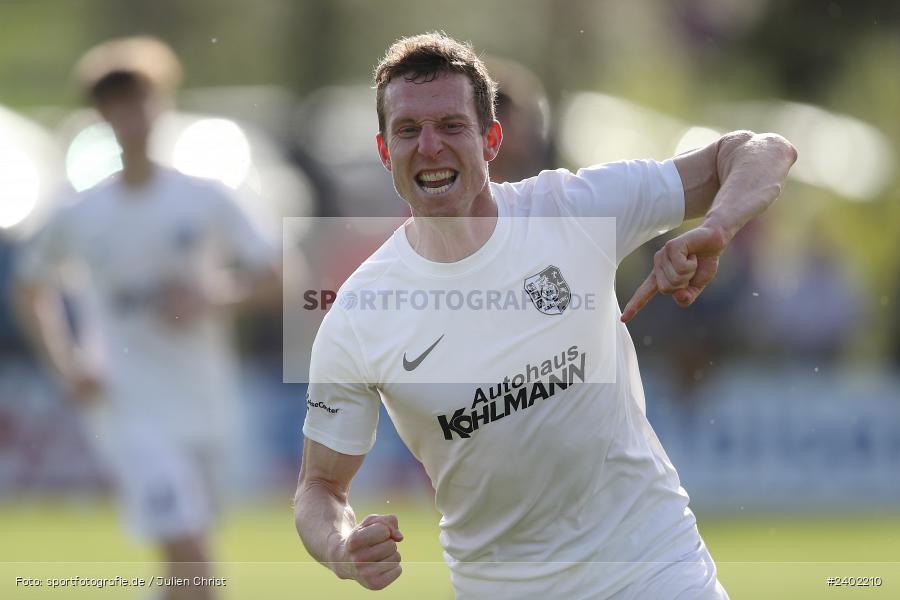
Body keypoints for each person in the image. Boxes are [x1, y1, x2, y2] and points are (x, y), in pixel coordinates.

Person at [293, 32, 796, 599]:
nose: (429, 147)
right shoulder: (359, 313)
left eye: (452, 126)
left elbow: (762, 151)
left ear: (491, 139)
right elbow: (320, 487)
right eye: (408, 130)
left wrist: (717, 227)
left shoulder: (574, 208)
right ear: (385, 150)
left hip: (655, 570)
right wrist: (341, 547)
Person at [16, 37, 279, 600]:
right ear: (100, 115)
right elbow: (29, 287)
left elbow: (280, 275)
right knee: (194, 562)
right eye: (116, 104)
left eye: (140, 101)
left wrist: (212, 298)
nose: (131, 117)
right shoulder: (80, 211)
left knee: (183, 567)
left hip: (205, 399)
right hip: (130, 407)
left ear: (161, 105)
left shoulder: (203, 197)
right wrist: (67, 364)